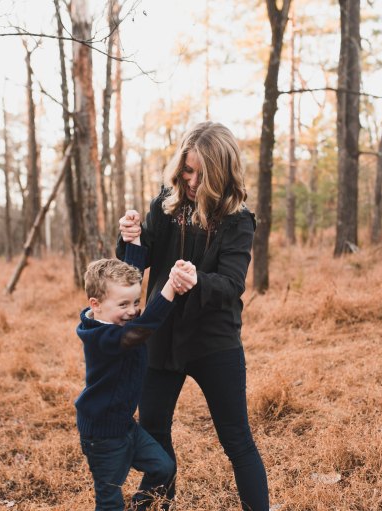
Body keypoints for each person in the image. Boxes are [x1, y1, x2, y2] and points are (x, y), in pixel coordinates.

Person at [117, 121, 269, 511]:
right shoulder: (166, 204)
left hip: (213, 340)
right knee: (153, 434)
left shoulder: (238, 220)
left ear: (223, 172)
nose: (193, 181)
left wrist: (197, 279)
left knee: (237, 440)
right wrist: (131, 239)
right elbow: (137, 265)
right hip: (161, 335)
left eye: (203, 173)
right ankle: (154, 504)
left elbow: (232, 284)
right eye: (187, 170)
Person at [75, 240, 193, 510]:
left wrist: (135, 244)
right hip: (103, 435)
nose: (132, 310)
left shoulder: (114, 317)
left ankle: (141, 505)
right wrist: (170, 288)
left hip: (126, 426)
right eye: (124, 305)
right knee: (109, 500)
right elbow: (144, 328)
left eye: (136, 302)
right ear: (96, 304)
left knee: (164, 467)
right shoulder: (102, 336)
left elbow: (129, 281)